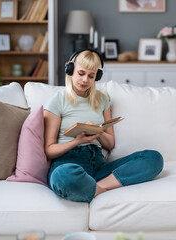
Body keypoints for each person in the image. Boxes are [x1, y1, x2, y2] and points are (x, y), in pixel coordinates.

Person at [43, 49, 163, 202]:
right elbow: (49, 150)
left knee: (153, 158)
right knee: (62, 176)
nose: (85, 80)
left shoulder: (102, 100)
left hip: (98, 164)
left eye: (91, 76)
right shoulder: (56, 100)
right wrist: (77, 141)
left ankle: (97, 188)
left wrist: (98, 133)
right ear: (70, 70)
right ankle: (97, 187)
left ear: (96, 77)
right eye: (81, 73)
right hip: (69, 161)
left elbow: (110, 144)